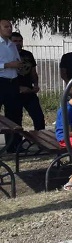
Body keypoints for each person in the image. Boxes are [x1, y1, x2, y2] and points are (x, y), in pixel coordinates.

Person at [10, 32, 45, 130]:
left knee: (38, 117)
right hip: (13, 91)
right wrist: (18, 88)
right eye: (15, 41)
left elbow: (33, 72)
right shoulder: (7, 55)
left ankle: (40, 137)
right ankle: (16, 140)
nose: (18, 43)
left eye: (20, 41)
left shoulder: (28, 54)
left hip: (29, 90)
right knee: (16, 120)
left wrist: (36, 85)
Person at [0, 20, 23, 150]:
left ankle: (14, 145)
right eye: (6, 27)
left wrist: (18, 65)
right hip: (1, 80)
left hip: (13, 81)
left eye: (10, 26)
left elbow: (16, 61)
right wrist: (7, 65)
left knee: (14, 114)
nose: (9, 29)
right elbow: (8, 64)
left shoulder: (12, 45)